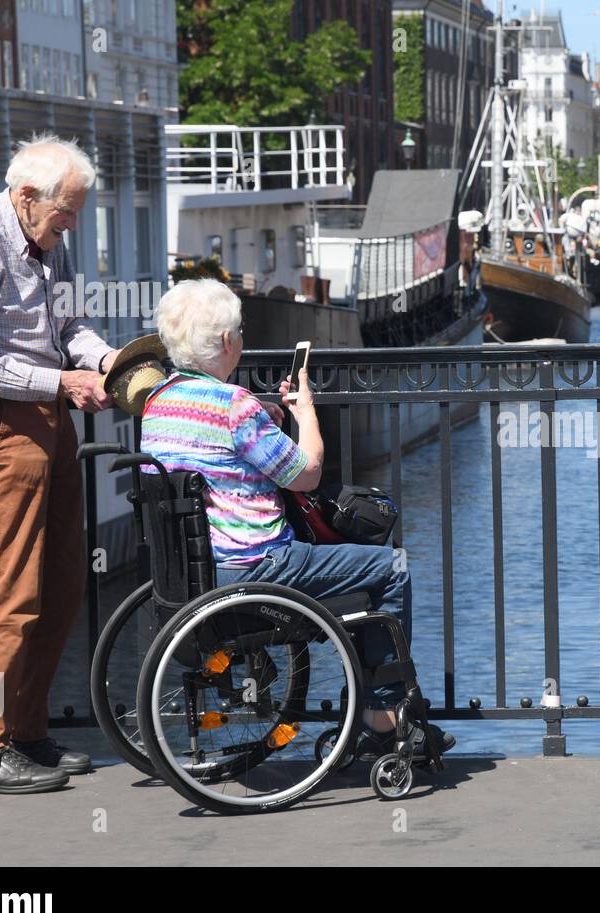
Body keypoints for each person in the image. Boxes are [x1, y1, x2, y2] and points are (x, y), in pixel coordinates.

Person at [138, 279, 453, 758]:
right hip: (257, 567)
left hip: (192, 574)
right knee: (391, 568)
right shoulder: (233, 407)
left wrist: (266, 420)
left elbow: (217, 454)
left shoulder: (157, 404)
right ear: (227, 341)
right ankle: (382, 715)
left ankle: (371, 706)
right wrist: (305, 413)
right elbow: (305, 475)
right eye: (239, 331)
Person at [0, 134, 120, 794]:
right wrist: (56, 384)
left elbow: (71, 331)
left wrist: (105, 362)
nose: (71, 226)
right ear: (25, 196)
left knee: (61, 584)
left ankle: (25, 732)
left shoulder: (46, 244)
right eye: (65, 212)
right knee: (9, 591)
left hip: (48, 423)